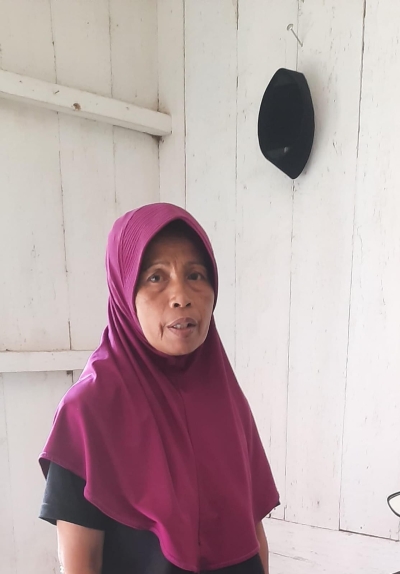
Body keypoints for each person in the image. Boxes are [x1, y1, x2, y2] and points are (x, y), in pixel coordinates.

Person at [39, 203, 279, 574]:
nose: (181, 295)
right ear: (124, 290)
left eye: (196, 275)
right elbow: (80, 564)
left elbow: (253, 536)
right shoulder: (88, 411)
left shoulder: (226, 401)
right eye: (155, 277)